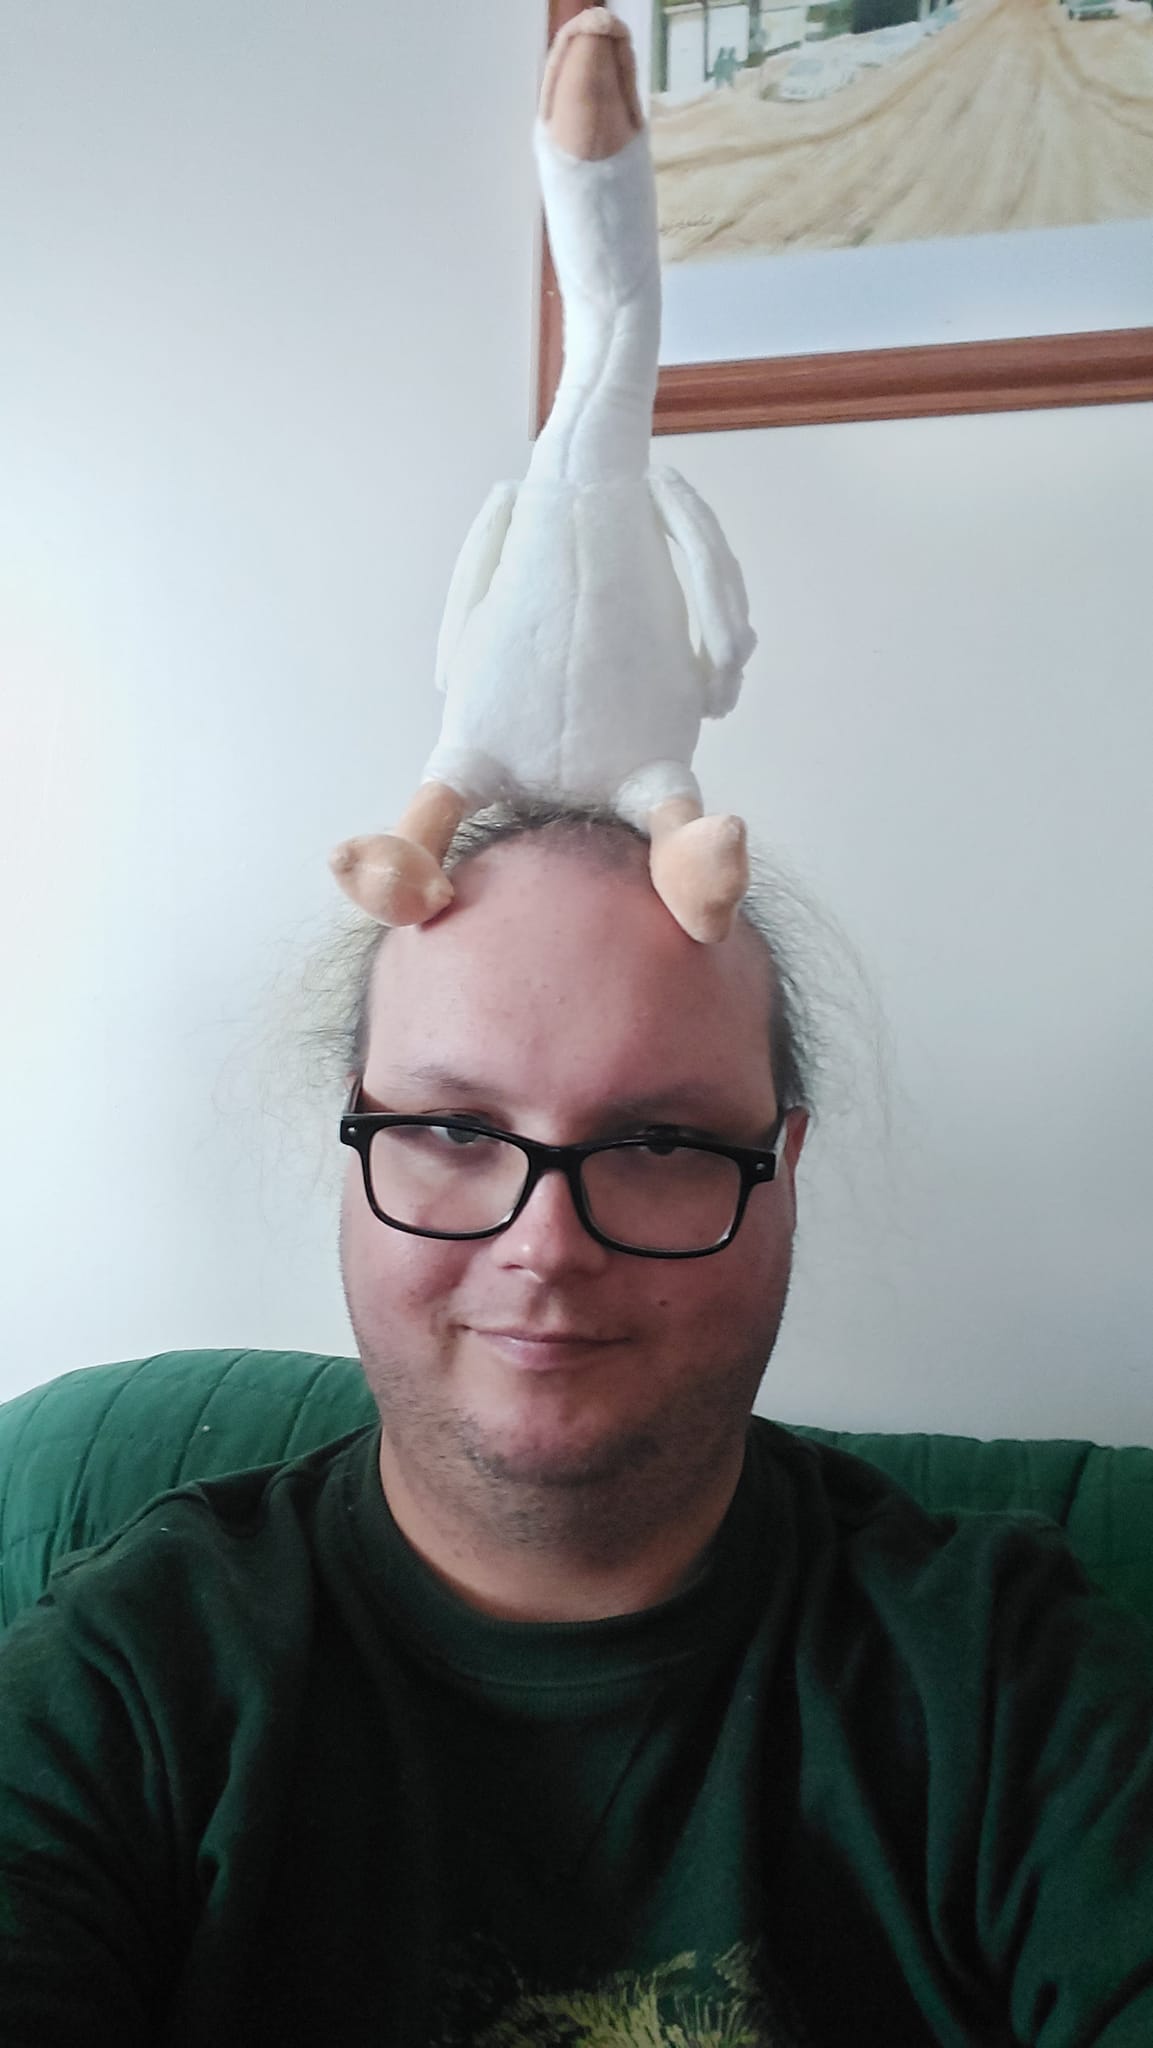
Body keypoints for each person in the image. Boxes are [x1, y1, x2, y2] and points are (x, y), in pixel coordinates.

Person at [1, 803, 1152, 2047]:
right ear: (357, 1142)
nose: (543, 1245)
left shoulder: (1005, 1674)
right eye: (451, 1128)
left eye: (659, 1139)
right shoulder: (128, 1678)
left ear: (783, 1169)